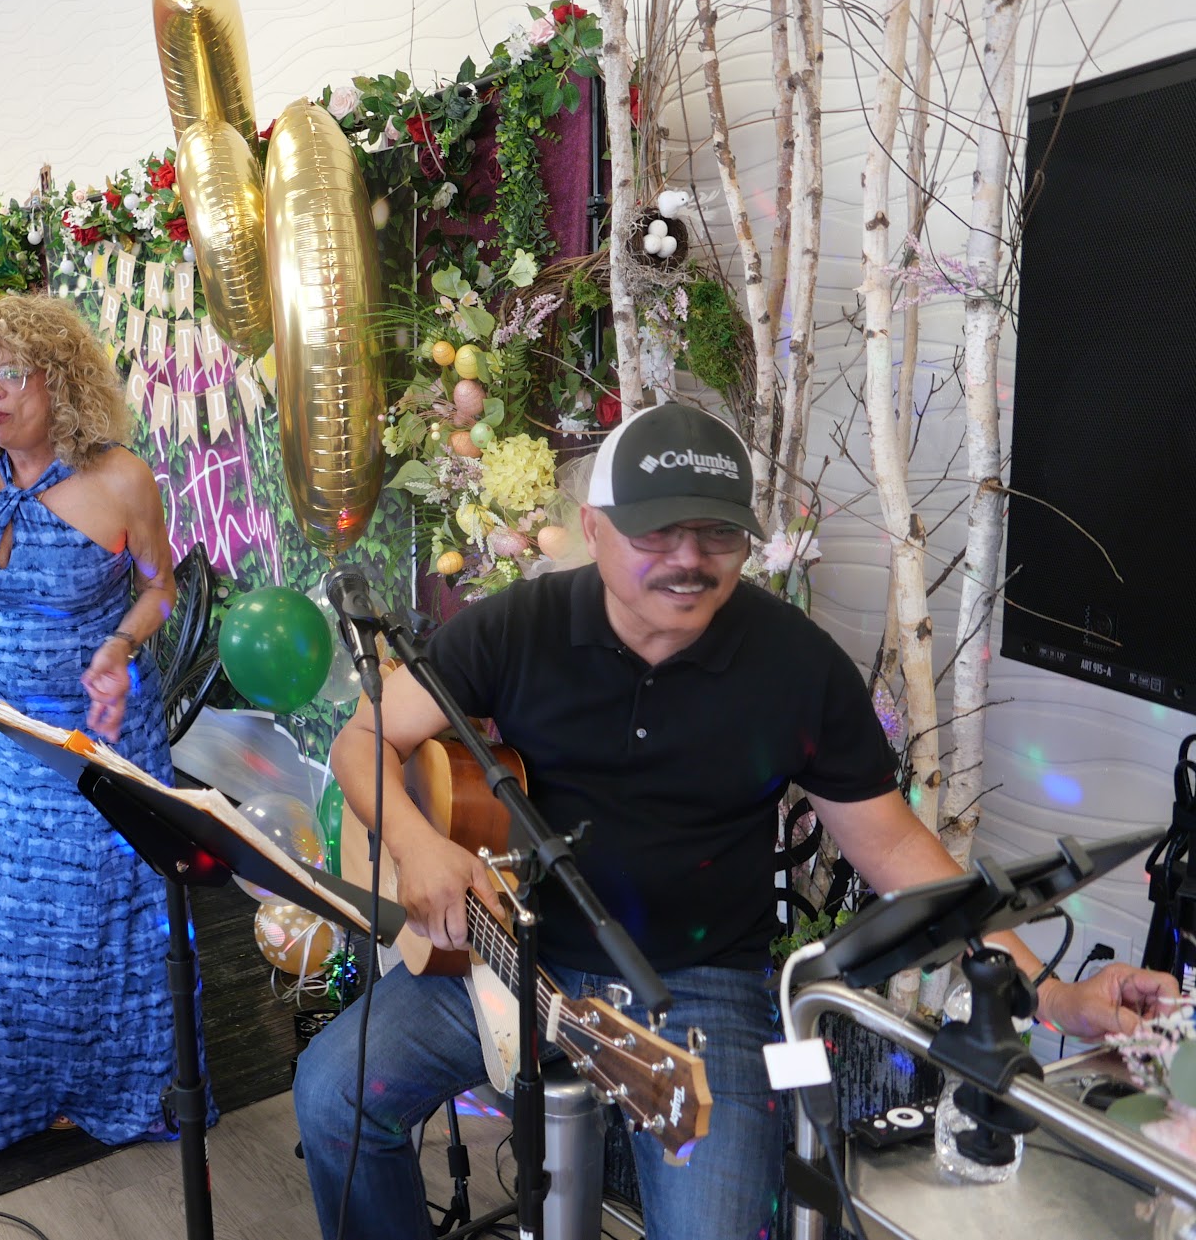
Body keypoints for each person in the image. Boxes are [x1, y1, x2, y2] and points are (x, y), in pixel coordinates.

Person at [293, 401, 1176, 1240]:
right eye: (656, 532)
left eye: (718, 533)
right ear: (593, 529)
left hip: (699, 984)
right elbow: (364, 737)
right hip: (506, 953)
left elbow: (900, 855)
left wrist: (1053, 994)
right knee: (334, 1097)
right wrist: (418, 844)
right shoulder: (516, 627)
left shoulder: (796, 668)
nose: (689, 558)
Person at [0, 292, 202, 1150]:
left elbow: (159, 588)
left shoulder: (119, 478)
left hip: (99, 743)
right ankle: (22, 1098)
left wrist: (120, 645)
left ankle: (118, 1091)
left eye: (11, 373)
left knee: (99, 931)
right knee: (0, 927)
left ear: (59, 382)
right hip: (6, 744)